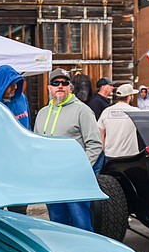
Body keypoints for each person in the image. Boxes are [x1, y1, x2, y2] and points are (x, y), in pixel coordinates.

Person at [34, 68, 102, 232]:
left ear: (70, 87)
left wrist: (80, 170)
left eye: (64, 83)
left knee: (81, 223)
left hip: (75, 180)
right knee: (57, 223)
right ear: (49, 87)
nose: (60, 86)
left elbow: (95, 144)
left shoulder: (82, 110)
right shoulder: (43, 113)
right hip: (51, 180)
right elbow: (36, 144)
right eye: (55, 83)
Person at [98, 83, 142, 158]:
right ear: (129, 97)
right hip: (130, 155)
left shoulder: (106, 111)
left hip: (110, 154)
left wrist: (104, 149)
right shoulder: (136, 112)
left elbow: (101, 133)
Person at [0, 64, 30, 129]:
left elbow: (29, 125)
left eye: (16, 83)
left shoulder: (22, 98)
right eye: (10, 84)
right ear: (0, 85)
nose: (15, 87)